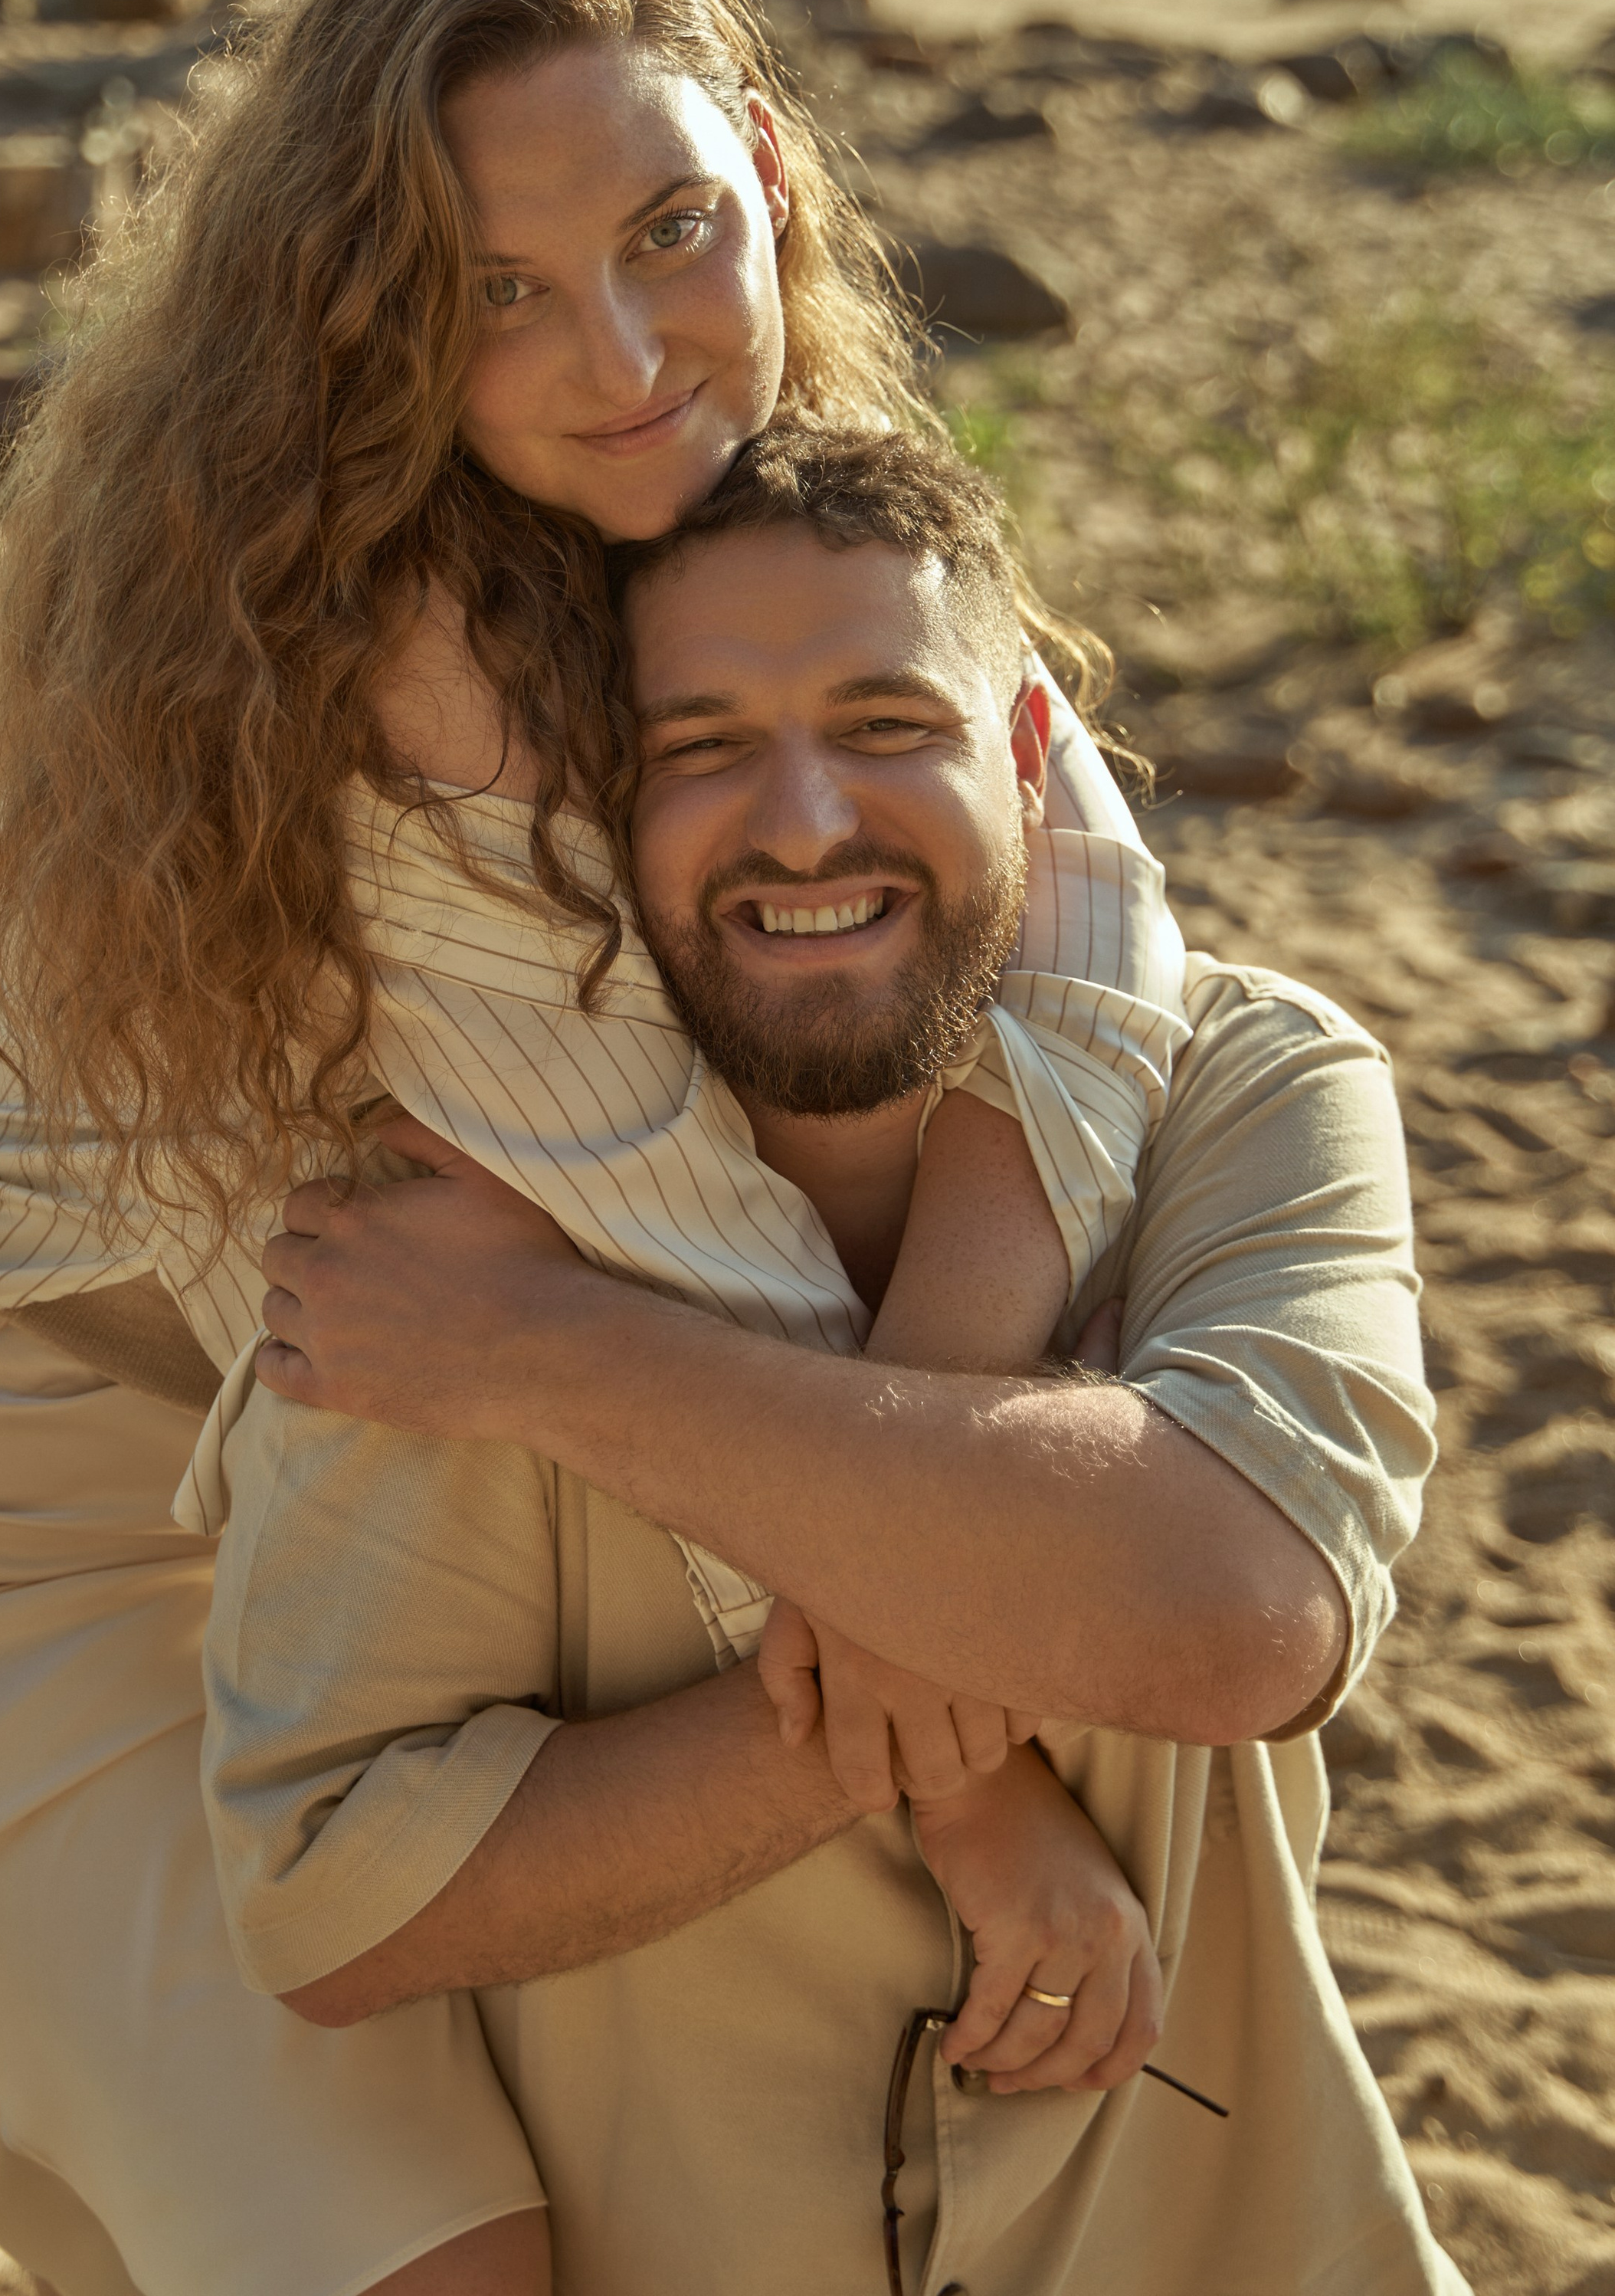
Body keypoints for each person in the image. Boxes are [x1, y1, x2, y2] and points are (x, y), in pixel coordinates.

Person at [0, 0, 1191, 2296]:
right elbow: (680, 1259)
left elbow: (1102, 913)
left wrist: (945, 1413)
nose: (621, 349)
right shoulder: (370, 665)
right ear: (368, 315)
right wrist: (983, 1737)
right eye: (498, 291)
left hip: (336, 1480)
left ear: (773, 190)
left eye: (677, 230)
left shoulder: (772, 492)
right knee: (432, 2265)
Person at [222, 426, 1465, 2296]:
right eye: (701, 747)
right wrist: (990, 1654)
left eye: (888, 724)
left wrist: (559, 1364)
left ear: (1031, 764)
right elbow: (329, 1896)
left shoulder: (1257, 1084)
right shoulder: (464, 1201)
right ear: (596, 807)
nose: (802, 824)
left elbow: (1237, 1612)